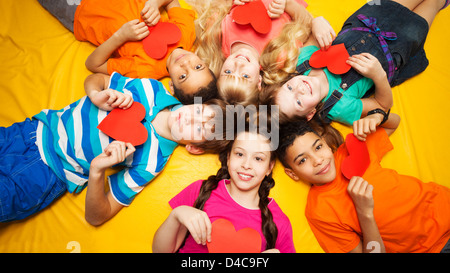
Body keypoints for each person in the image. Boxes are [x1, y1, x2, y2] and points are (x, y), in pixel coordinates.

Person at [0, 71, 228, 225]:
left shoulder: (151, 163)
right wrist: (96, 94)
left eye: (200, 130)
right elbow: (95, 78)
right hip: (30, 130)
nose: (190, 120)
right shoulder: (151, 88)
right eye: (199, 113)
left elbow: (97, 217)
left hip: (44, 173)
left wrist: (97, 170)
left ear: (194, 148)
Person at [263, 0, 448, 130]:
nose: (299, 90)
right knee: (434, 3)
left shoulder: (302, 62)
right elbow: (382, 105)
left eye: (289, 87)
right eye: (298, 101)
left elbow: (311, 27)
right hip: (397, 46)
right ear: (309, 114)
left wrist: (317, 22)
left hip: (367, 20)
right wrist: (378, 75)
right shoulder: (339, 107)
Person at [276, 118, 450, 253]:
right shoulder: (319, 211)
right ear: (292, 173)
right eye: (303, 160)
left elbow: (393, 123)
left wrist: (375, 117)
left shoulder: (350, 150)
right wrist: (364, 212)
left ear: (327, 145)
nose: (318, 160)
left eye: (318, 147)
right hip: (433, 248)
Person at [152, 119, 296, 253]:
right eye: (239, 154)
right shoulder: (201, 191)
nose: (246, 165)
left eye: (258, 158)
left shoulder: (279, 222)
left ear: (269, 168)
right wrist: (177, 214)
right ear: (228, 157)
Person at [37, 0, 218, 105]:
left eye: (183, 76)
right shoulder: (186, 33)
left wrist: (120, 36)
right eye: (198, 66)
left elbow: (93, 64)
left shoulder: (145, 70)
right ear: (203, 60)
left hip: (83, 12)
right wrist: (155, 4)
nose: (185, 64)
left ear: (171, 86)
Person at [194, 0, 334, 105]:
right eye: (245, 76)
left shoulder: (218, 36)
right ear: (259, 82)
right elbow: (305, 22)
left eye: (228, 72)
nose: (238, 65)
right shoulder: (279, 56)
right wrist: (286, 4)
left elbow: (214, 5)